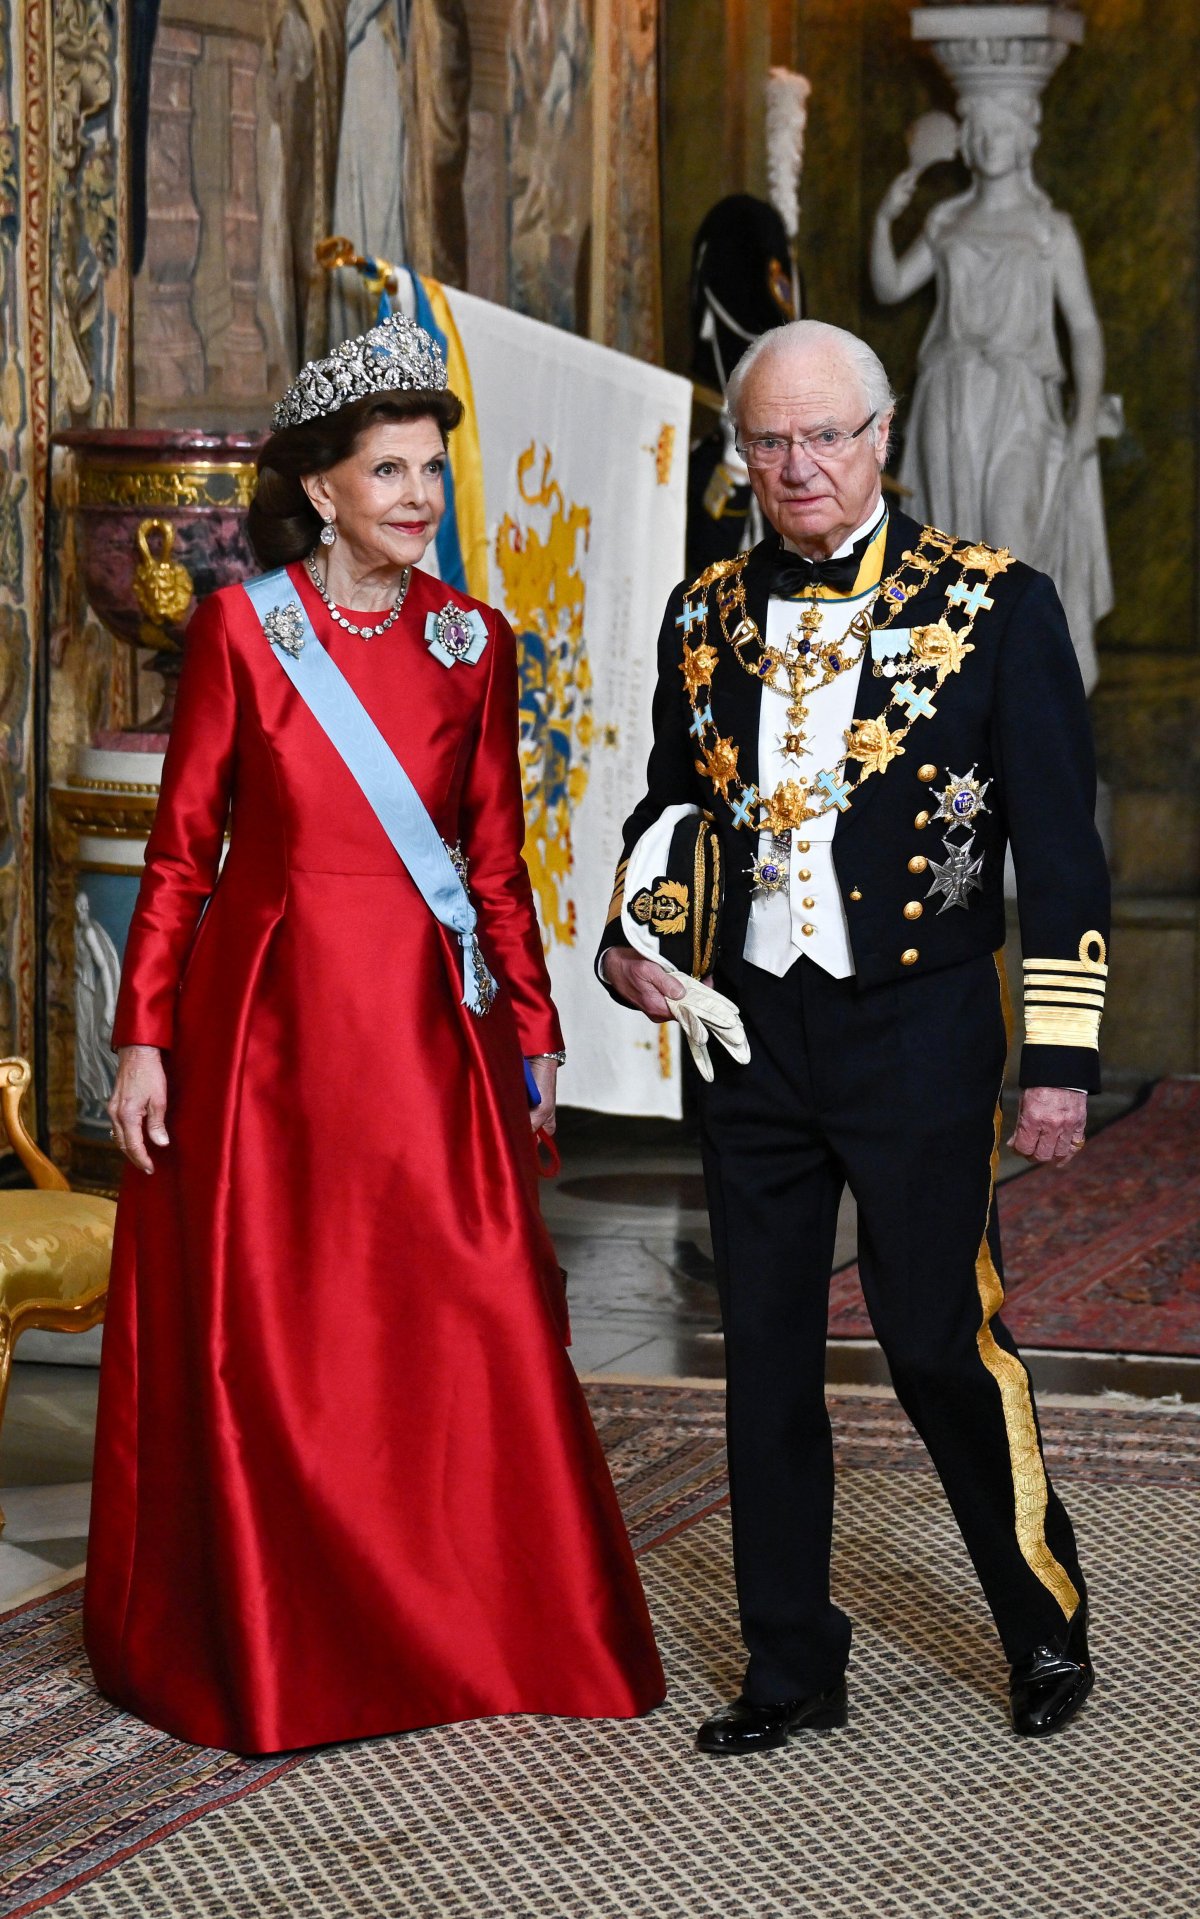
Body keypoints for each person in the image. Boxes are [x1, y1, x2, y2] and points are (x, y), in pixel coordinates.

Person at [86, 311, 665, 1753]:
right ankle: (299, 1626)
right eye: (390, 472)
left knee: (460, 1303)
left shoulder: (475, 643)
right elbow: (183, 852)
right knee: (287, 1324)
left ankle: (489, 1614)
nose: (416, 498)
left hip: (422, 1022)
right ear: (324, 487)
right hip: (266, 1025)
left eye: (429, 473)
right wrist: (144, 1034)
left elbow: (491, 863)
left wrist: (532, 1038)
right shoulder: (242, 628)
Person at [597, 318, 1109, 1753]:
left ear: (884, 435)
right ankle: (790, 1665)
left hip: (921, 1028)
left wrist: (1061, 1062)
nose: (800, 464)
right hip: (750, 1037)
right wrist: (631, 935)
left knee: (937, 1336)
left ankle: (1040, 1615)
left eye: (827, 434)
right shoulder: (702, 616)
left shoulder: (998, 605)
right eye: (771, 440)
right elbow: (664, 808)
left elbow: (1061, 852)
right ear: (741, 453)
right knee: (758, 1351)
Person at [870, 90, 1112, 694]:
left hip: (1020, 403)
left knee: (1012, 544)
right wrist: (882, 220)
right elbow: (892, 285)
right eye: (976, 131)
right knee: (947, 551)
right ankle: (956, 705)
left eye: (999, 130)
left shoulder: (1048, 230)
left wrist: (1084, 418)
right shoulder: (947, 220)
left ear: (1025, 138)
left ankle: (1020, 700)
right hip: (950, 400)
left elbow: (1083, 328)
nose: (986, 142)